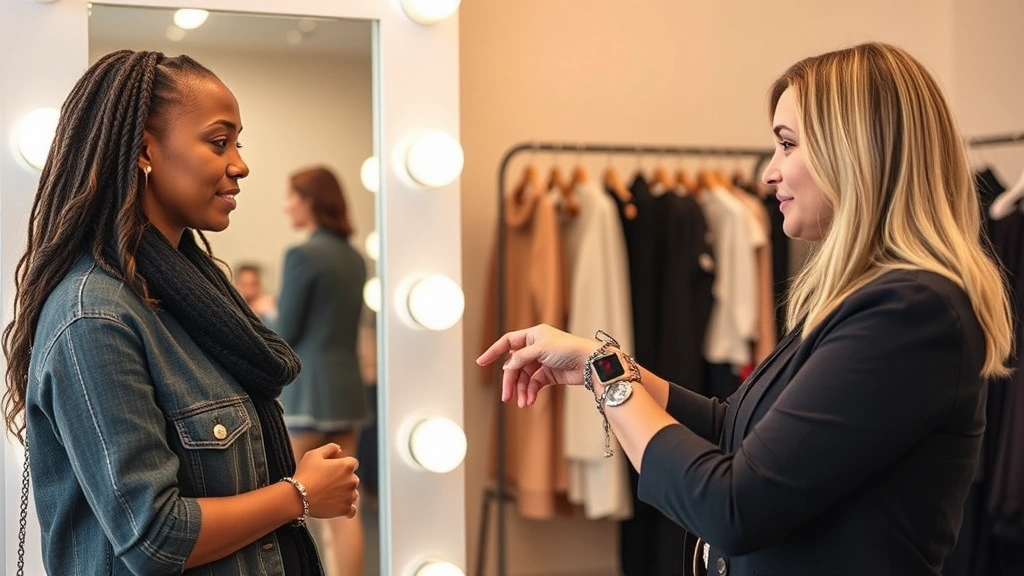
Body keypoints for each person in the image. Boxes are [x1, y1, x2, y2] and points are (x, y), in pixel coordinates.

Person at [478, 42, 1013, 576]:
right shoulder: (863, 297)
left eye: (787, 144)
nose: (768, 173)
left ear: (857, 151)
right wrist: (607, 361)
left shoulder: (908, 313)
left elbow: (732, 508)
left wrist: (606, 378)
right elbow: (734, 426)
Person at [1, 50, 360, 575]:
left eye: (238, 143)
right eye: (219, 142)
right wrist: (298, 494)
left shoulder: (193, 304)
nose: (240, 164)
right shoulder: (94, 319)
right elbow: (154, 536)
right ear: (145, 150)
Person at [275, 166, 369, 576]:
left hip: (308, 393)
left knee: (284, 502)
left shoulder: (302, 255)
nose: (286, 205)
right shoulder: (355, 258)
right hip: (348, 391)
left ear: (310, 201)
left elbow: (286, 331)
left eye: (292, 196)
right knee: (346, 508)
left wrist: (258, 314)